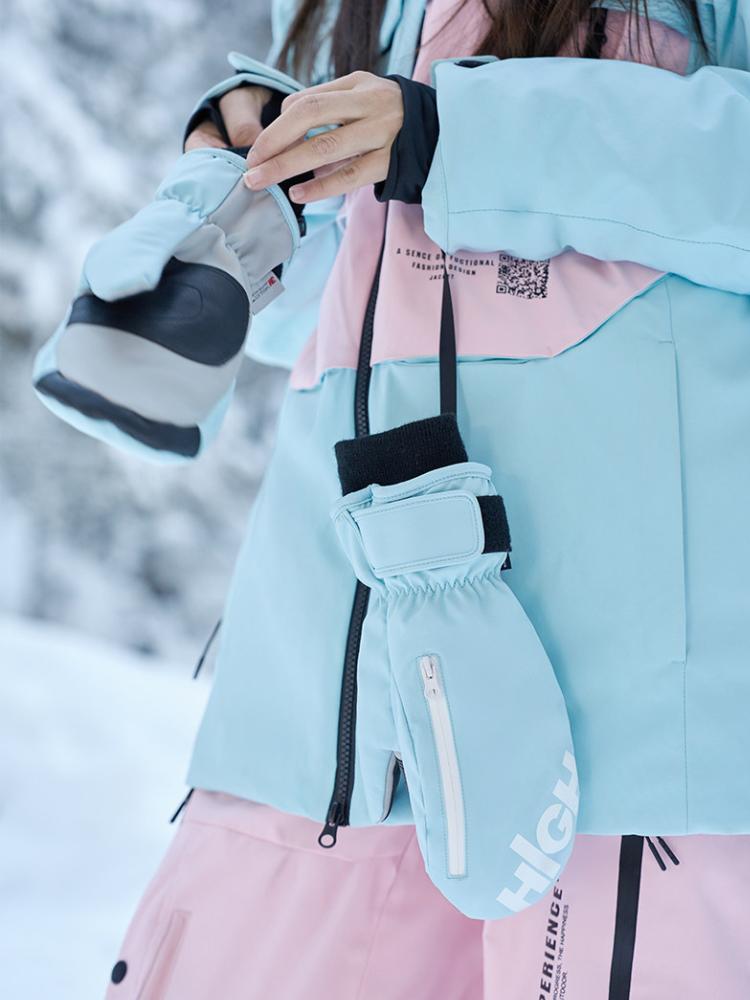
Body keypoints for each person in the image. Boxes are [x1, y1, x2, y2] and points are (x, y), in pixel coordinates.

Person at [43, 0, 750, 995]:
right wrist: (249, 194)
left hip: (627, 736)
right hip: (325, 702)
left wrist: (459, 135)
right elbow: (334, 315)